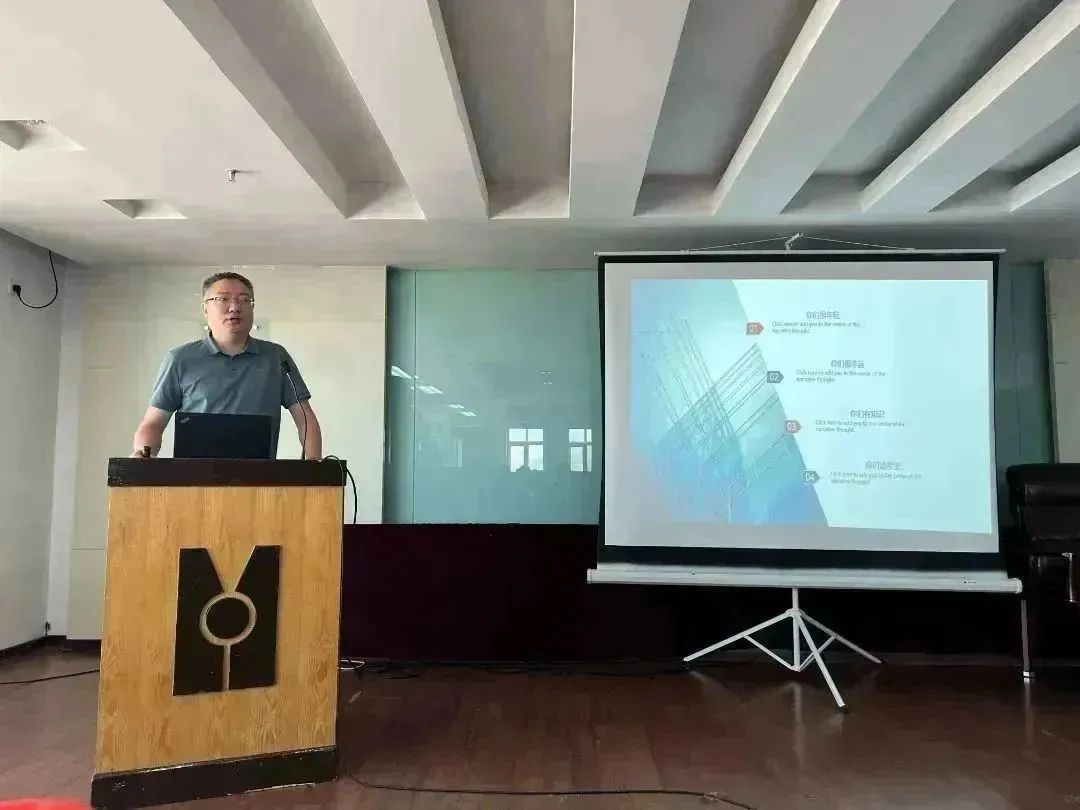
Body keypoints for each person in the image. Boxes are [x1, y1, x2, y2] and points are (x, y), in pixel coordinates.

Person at [130, 272, 322, 459]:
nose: (235, 307)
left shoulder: (276, 357)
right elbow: (154, 422)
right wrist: (142, 457)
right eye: (223, 299)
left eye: (244, 300)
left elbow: (305, 418)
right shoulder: (180, 359)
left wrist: (316, 466)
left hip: (260, 475)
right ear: (205, 309)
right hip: (193, 476)